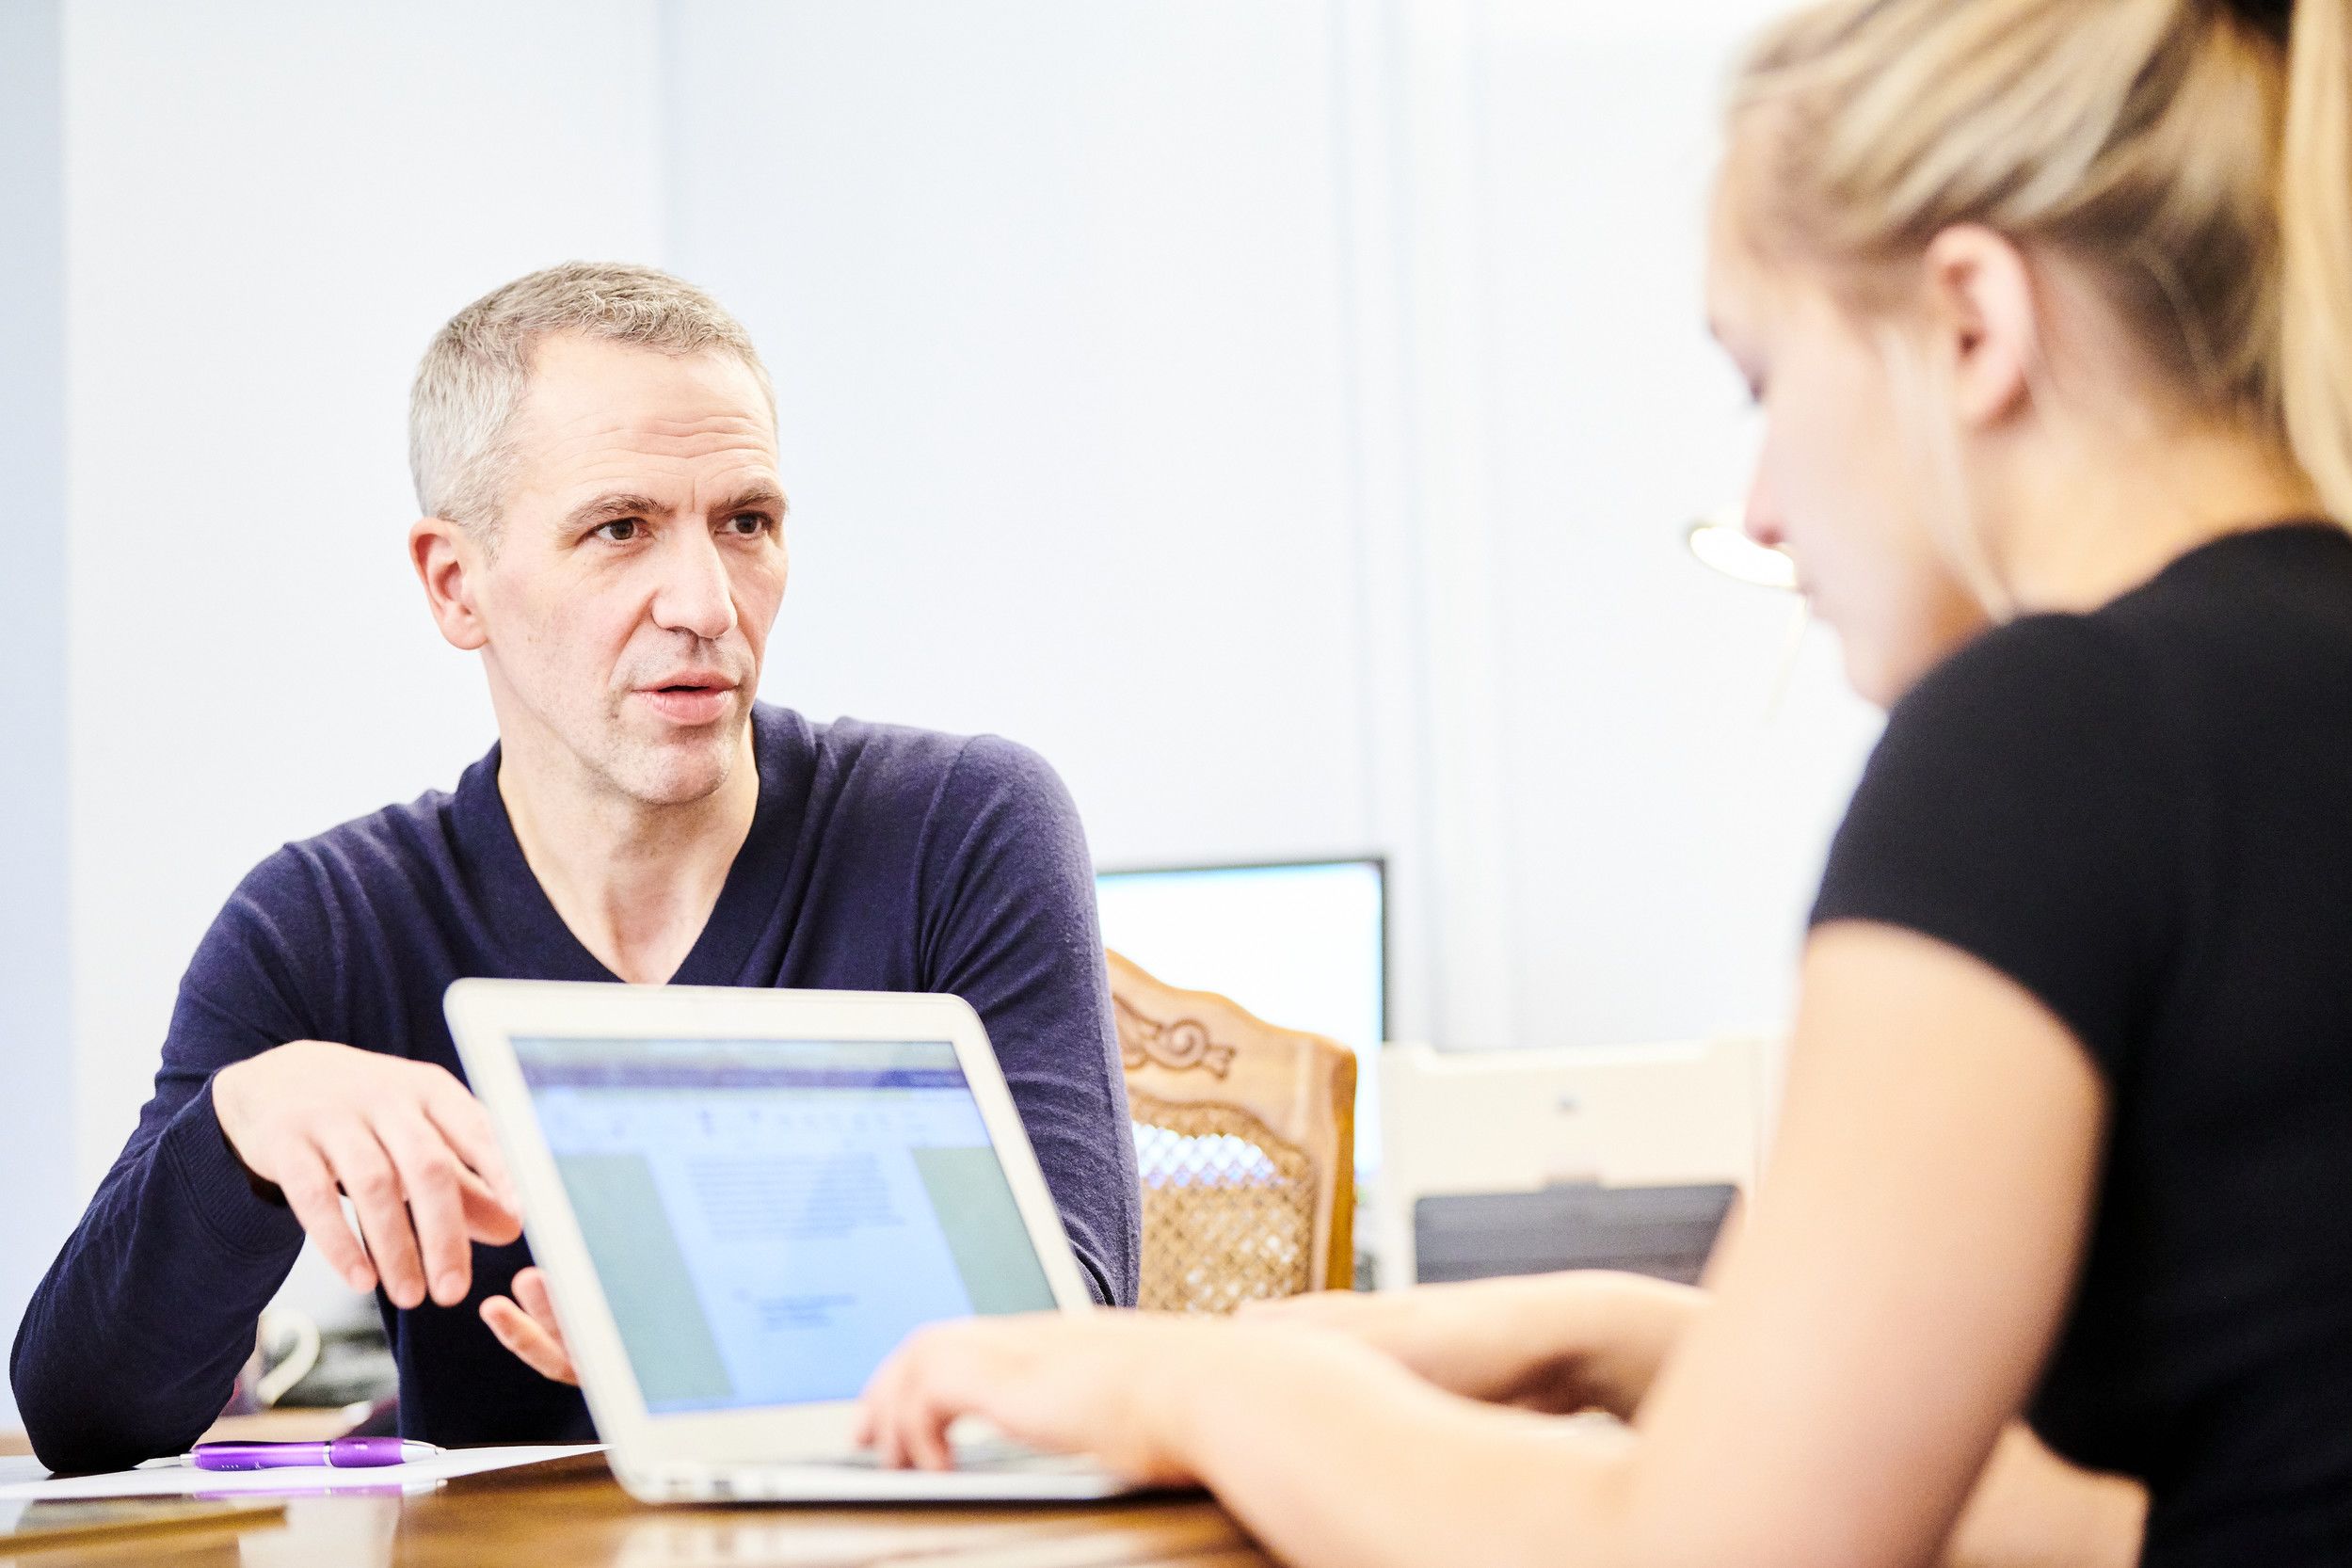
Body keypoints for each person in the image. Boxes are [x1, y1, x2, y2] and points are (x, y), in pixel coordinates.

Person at [855, 0, 2352, 1562]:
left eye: (1760, 381)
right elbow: (2126, 1511)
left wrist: (1196, 1383)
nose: (1761, 508)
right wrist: (1613, 1336)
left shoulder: (2047, 737)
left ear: (1969, 322)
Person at [10, 263, 1142, 1474]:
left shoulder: (960, 829)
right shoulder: (326, 921)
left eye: (747, 523)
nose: (708, 602)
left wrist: (704, 1333)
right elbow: (84, 1413)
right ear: (457, 583)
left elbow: (1076, 1329)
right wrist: (236, 1131)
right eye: (620, 530)